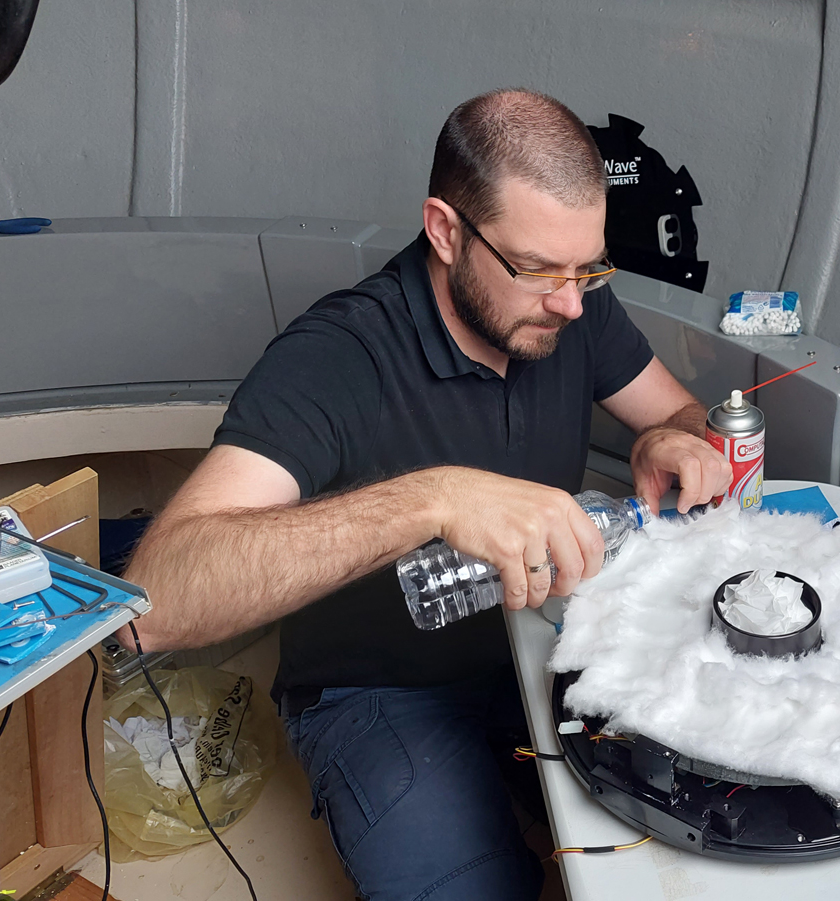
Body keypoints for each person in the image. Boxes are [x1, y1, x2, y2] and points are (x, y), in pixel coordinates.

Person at [122, 88, 733, 901]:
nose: (569, 302)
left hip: (538, 642)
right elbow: (153, 604)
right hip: (381, 690)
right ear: (446, 231)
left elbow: (678, 412)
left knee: (700, 830)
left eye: (587, 267)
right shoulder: (338, 356)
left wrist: (666, 436)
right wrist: (434, 499)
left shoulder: (568, 301)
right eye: (537, 270)